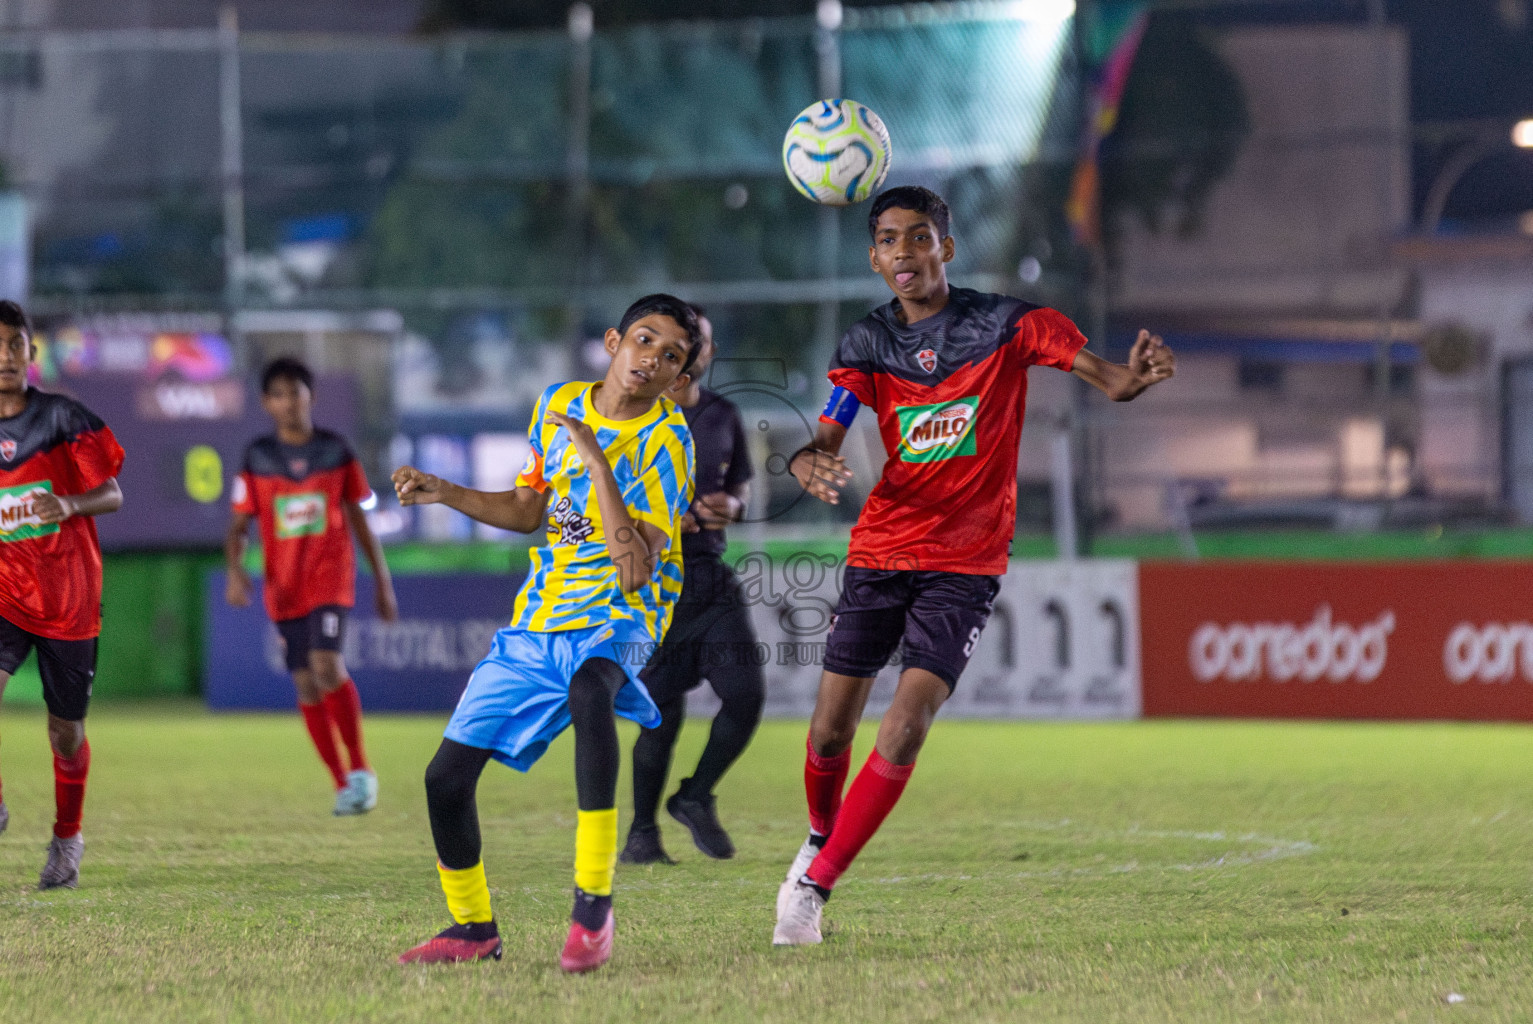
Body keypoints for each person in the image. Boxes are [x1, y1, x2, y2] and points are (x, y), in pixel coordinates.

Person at [772, 186, 1176, 945]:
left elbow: (1110, 381)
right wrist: (806, 460)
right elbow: (828, 435)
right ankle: (817, 840)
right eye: (888, 240)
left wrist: (1136, 374)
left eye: (918, 238)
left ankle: (813, 891)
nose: (903, 253)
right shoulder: (865, 343)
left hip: (966, 560)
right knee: (830, 730)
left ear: (944, 249)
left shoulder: (1008, 324)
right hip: (883, 547)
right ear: (874, 257)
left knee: (906, 723)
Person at [393, 294, 699, 973]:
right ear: (614, 340)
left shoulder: (667, 441)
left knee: (594, 689)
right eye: (644, 339)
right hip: (541, 618)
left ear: (678, 378)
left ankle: (593, 905)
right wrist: (445, 490)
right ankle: (472, 928)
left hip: (626, 614)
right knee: (444, 779)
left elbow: (634, 569)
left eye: (671, 355)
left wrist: (596, 463)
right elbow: (529, 508)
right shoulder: (557, 403)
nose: (651, 358)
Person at [619, 307, 762, 865]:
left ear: (710, 351)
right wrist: (656, 520)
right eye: (684, 341)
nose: (694, 349)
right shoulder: (636, 414)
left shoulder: (723, 413)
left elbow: (740, 485)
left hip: (708, 572)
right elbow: (606, 495)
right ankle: (641, 833)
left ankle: (696, 796)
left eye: (701, 340)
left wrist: (733, 504)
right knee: (661, 712)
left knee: (746, 696)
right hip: (653, 580)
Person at [225, 357, 398, 817]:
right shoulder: (256, 457)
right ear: (266, 403)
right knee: (305, 684)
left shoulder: (336, 451)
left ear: (311, 397)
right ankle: (343, 784)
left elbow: (360, 518)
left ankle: (361, 770)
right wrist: (236, 570)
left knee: (326, 664)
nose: (288, 403)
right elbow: (239, 526)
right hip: (283, 587)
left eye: (295, 392)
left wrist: (382, 581)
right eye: (278, 394)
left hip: (329, 577)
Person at [0, 300, 125, 889]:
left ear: (31, 352)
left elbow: (113, 493)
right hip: (5, 591)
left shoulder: (62, 418)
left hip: (68, 595)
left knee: (65, 732)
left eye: (14, 344)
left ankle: (66, 841)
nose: (4, 356)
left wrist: (71, 504)